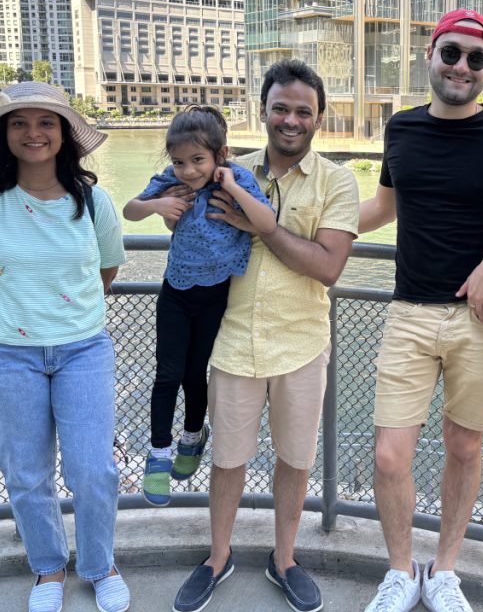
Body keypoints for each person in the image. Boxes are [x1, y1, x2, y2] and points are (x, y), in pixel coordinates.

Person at [358, 9, 483, 612]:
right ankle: (401, 572)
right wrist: (300, 222)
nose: (462, 67)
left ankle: (444, 570)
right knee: (390, 453)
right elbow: (383, 209)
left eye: (477, 59)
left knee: (463, 447)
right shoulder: (400, 129)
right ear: (431, 54)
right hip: (409, 313)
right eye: (452, 53)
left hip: (482, 319)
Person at [172, 60, 359, 612]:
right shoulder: (223, 171)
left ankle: (284, 558)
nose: (291, 119)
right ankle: (218, 556)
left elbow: (328, 266)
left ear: (320, 118)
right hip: (230, 340)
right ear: (263, 111)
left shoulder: (337, 182)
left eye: (303, 110)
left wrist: (265, 227)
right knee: (228, 457)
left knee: (295, 460)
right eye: (281, 107)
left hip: (301, 342)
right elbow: (179, 221)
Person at [0, 82, 130, 612]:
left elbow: (105, 270)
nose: (34, 133)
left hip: (82, 350)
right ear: (3, 134)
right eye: (19, 122)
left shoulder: (93, 202)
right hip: (4, 356)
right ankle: (48, 569)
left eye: (46, 122)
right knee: (27, 474)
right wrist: (15, 322)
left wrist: (65, 315)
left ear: (65, 134)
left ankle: (101, 565)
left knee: (94, 469)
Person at [123, 105, 274, 507]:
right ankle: (158, 456)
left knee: (195, 373)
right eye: (179, 161)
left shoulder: (238, 179)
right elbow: (129, 211)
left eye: (197, 160)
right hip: (176, 290)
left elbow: (268, 221)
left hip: (217, 294)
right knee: (167, 374)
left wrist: (234, 189)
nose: (188, 170)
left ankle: (192, 437)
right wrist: (156, 206)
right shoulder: (171, 181)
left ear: (220, 155)